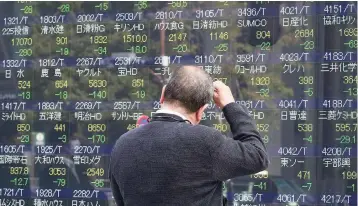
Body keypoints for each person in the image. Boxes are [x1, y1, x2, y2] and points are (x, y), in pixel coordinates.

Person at [109, 66, 269, 206]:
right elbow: (257, 155)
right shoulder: (205, 142)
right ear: (201, 112)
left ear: (163, 94)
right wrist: (229, 105)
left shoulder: (122, 144)